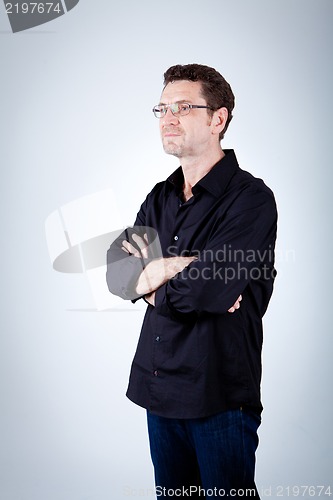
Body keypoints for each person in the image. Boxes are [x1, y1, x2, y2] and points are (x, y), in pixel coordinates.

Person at [106, 64, 277, 499]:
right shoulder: (159, 196)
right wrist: (176, 268)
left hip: (218, 394)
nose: (169, 117)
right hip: (159, 389)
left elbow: (209, 287)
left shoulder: (251, 199)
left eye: (183, 107)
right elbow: (117, 275)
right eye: (162, 108)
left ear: (218, 120)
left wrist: (152, 277)